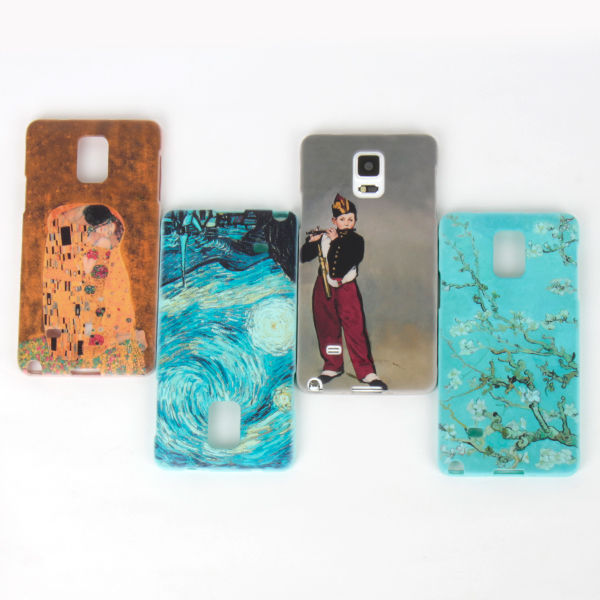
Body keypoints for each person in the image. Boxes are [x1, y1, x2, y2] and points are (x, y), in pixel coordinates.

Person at [42, 203, 146, 373]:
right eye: (101, 228)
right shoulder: (93, 234)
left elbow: (88, 266)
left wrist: (87, 249)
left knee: (94, 322)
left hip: (94, 287)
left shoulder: (101, 241)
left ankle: (130, 337)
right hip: (90, 285)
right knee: (92, 321)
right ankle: (132, 337)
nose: (104, 231)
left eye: (106, 227)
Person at [301, 193, 387, 389]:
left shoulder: (356, 240)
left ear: (355, 220)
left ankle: (366, 372)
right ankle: (332, 366)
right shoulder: (324, 237)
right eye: (342, 220)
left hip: (346, 287)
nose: (346, 223)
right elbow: (304, 257)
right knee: (326, 326)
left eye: (350, 219)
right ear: (334, 221)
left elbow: (342, 265)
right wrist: (312, 241)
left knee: (355, 328)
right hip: (323, 286)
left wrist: (335, 241)